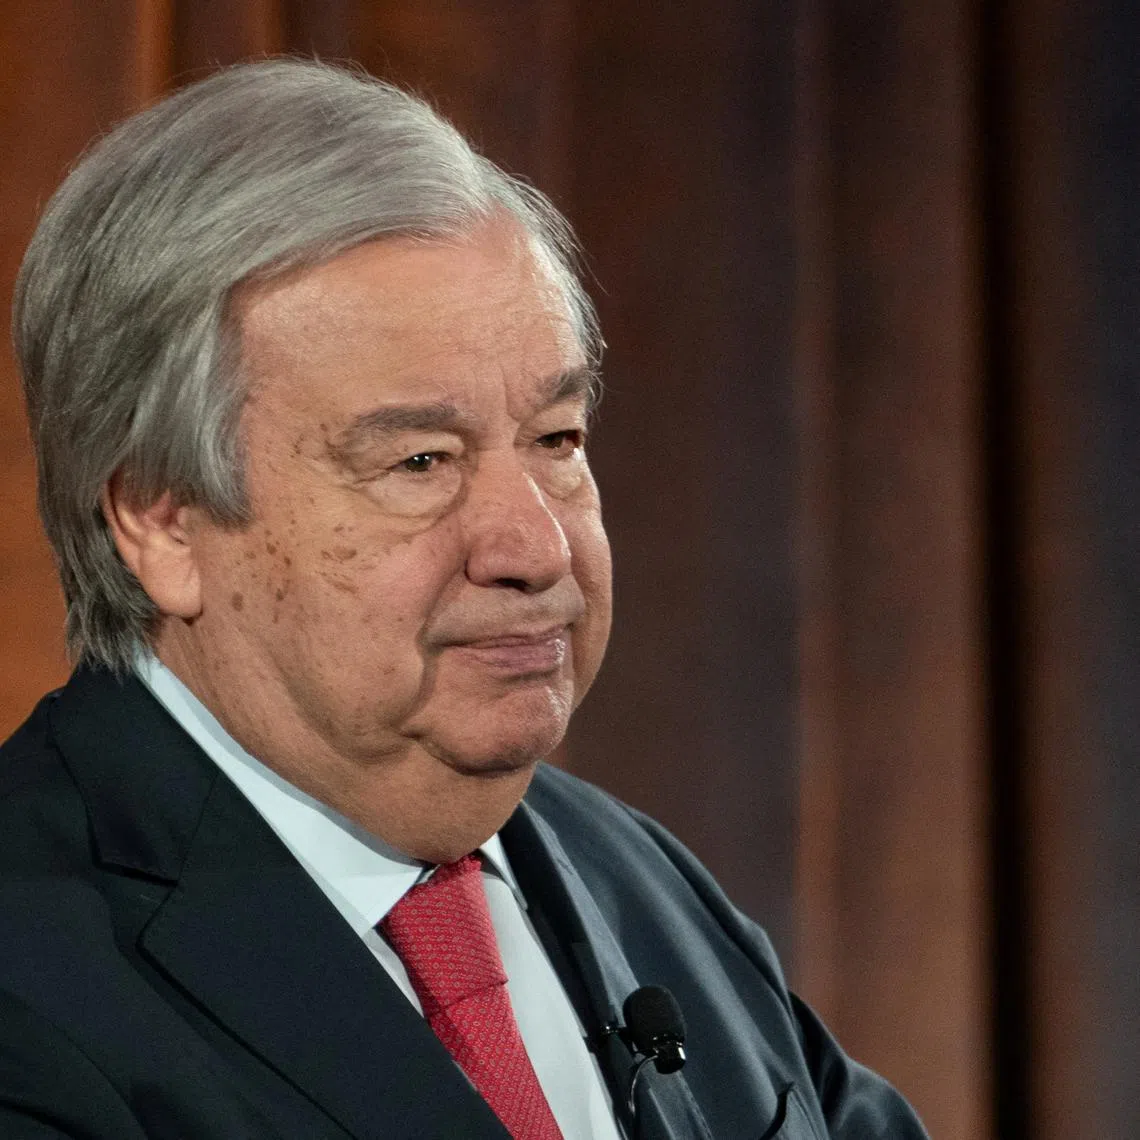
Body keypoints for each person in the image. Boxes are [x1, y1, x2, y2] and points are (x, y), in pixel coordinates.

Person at [0, 60, 927, 1139]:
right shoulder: (30, 989)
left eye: (556, 440)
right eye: (420, 462)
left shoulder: (640, 880)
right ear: (161, 521)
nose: (536, 547)